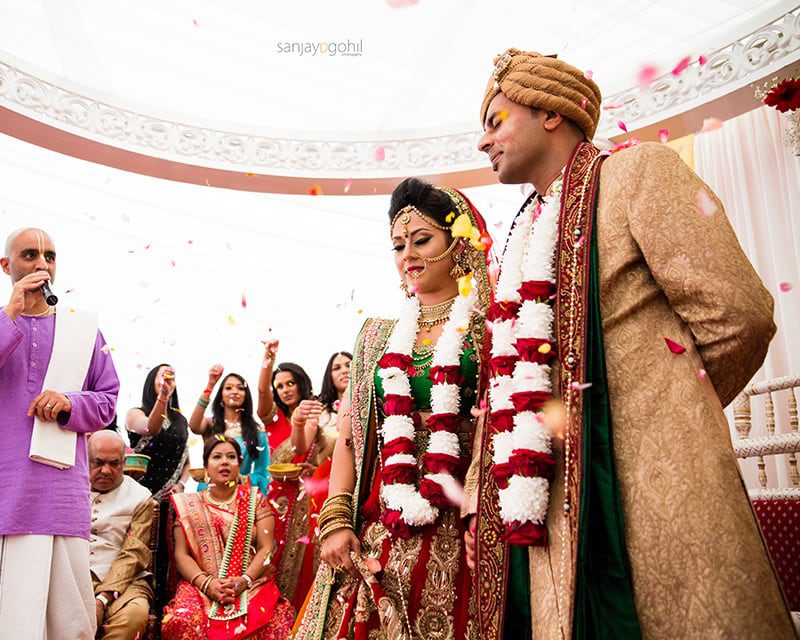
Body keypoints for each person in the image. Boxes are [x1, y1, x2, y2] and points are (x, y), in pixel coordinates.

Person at [462, 48, 794, 639]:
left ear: (551, 114)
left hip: (655, 488)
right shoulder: (521, 241)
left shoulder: (638, 174)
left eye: (494, 121)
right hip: (552, 514)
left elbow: (738, 316)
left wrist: (666, 414)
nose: (482, 143)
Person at [294, 179, 494, 640]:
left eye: (422, 240)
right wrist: (336, 522)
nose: (408, 255)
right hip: (383, 516)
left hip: (461, 515)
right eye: (399, 245)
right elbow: (348, 437)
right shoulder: (377, 337)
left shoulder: (488, 328)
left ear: (457, 244)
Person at [0, 227, 119, 639]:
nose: (42, 264)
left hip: (55, 494)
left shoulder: (83, 330)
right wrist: (11, 313)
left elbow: (107, 402)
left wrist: (70, 403)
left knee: (67, 623)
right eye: (29, 255)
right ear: (7, 265)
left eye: (50, 256)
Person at [162, 436, 295, 639]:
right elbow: (182, 554)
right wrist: (207, 584)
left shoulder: (255, 499)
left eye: (231, 457)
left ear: (239, 465)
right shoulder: (190, 504)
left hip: (250, 582)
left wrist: (245, 579)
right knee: (183, 621)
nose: (224, 462)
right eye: (217, 457)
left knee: (274, 625)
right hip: (200, 583)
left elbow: (267, 548)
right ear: (206, 466)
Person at [271, 351, 352, 609]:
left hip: (361, 485)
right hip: (324, 493)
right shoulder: (321, 410)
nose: (344, 370)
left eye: (349, 364)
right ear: (329, 375)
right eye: (337, 367)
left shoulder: (369, 403)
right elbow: (301, 444)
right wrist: (297, 422)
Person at [124, 363, 189, 610]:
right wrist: (162, 397)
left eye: (172, 373)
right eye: (163, 373)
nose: (168, 376)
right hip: (141, 500)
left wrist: (181, 484)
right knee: (141, 554)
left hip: (171, 503)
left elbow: (187, 459)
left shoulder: (181, 420)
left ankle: (164, 615)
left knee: (168, 557)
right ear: (152, 380)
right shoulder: (136, 412)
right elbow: (150, 428)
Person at [88, 431, 155, 640]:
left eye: (114, 464)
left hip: (125, 580)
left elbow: (134, 553)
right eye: (98, 463)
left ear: (124, 462)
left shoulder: (140, 497)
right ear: (84, 459)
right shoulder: (66, 487)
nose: (106, 471)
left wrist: (103, 598)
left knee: (133, 617)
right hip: (73, 574)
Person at [190, 367, 270, 495]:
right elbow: (193, 426)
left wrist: (242, 479)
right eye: (228, 388)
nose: (235, 392)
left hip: (241, 495)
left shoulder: (257, 432)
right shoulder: (211, 424)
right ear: (221, 396)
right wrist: (210, 386)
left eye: (240, 388)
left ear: (246, 396)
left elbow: (262, 472)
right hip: (209, 492)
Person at [257, 344, 314, 454]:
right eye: (280, 386)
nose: (285, 390)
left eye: (290, 383)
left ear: (302, 383)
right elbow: (263, 391)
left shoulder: (316, 414)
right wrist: (268, 358)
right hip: (272, 471)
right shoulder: (272, 416)